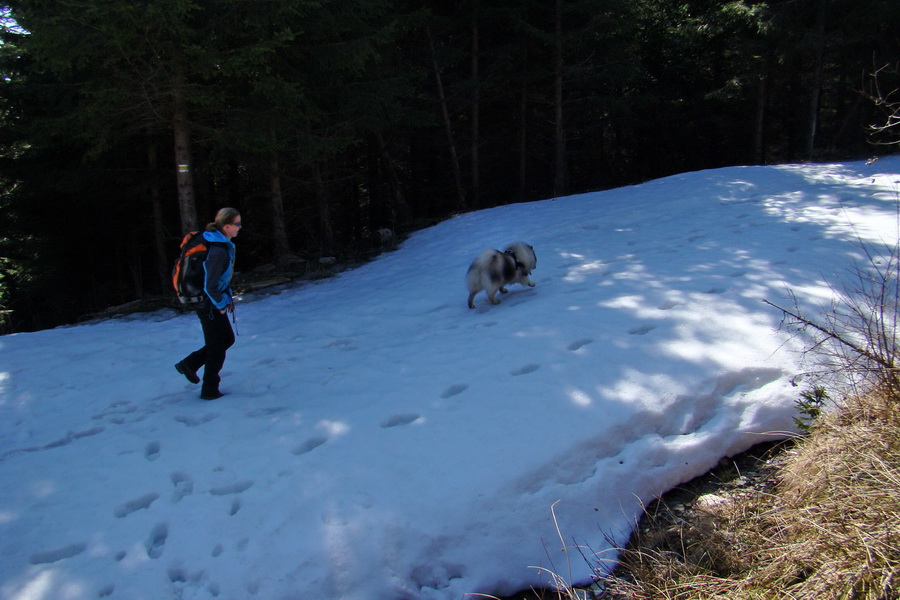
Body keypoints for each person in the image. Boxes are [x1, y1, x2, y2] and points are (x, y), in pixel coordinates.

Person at [174, 208, 241, 400]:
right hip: (208, 304)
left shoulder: (216, 241)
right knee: (217, 348)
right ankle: (209, 391)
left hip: (209, 301)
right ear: (226, 226)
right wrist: (220, 303)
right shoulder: (218, 248)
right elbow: (210, 284)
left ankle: (190, 363)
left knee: (226, 339)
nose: (239, 228)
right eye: (237, 224)